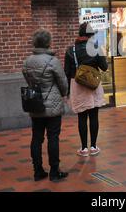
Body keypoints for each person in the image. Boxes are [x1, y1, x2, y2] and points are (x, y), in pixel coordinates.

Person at [22, 29, 69, 182]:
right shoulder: (52, 61)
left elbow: (28, 80)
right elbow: (63, 83)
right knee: (53, 137)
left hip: (36, 104)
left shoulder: (27, 61)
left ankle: (38, 171)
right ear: (48, 43)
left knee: (36, 138)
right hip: (53, 104)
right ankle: (54, 172)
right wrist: (64, 94)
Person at [65, 23, 108, 157]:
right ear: (91, 35)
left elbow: (67, 71)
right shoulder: (96, 47)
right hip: (93, 85)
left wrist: (67, 92)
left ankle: (83, 148)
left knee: (82, 117)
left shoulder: (70, 50)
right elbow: (105, 67)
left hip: (77, 85)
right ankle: (94, 146)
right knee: (94, 116)